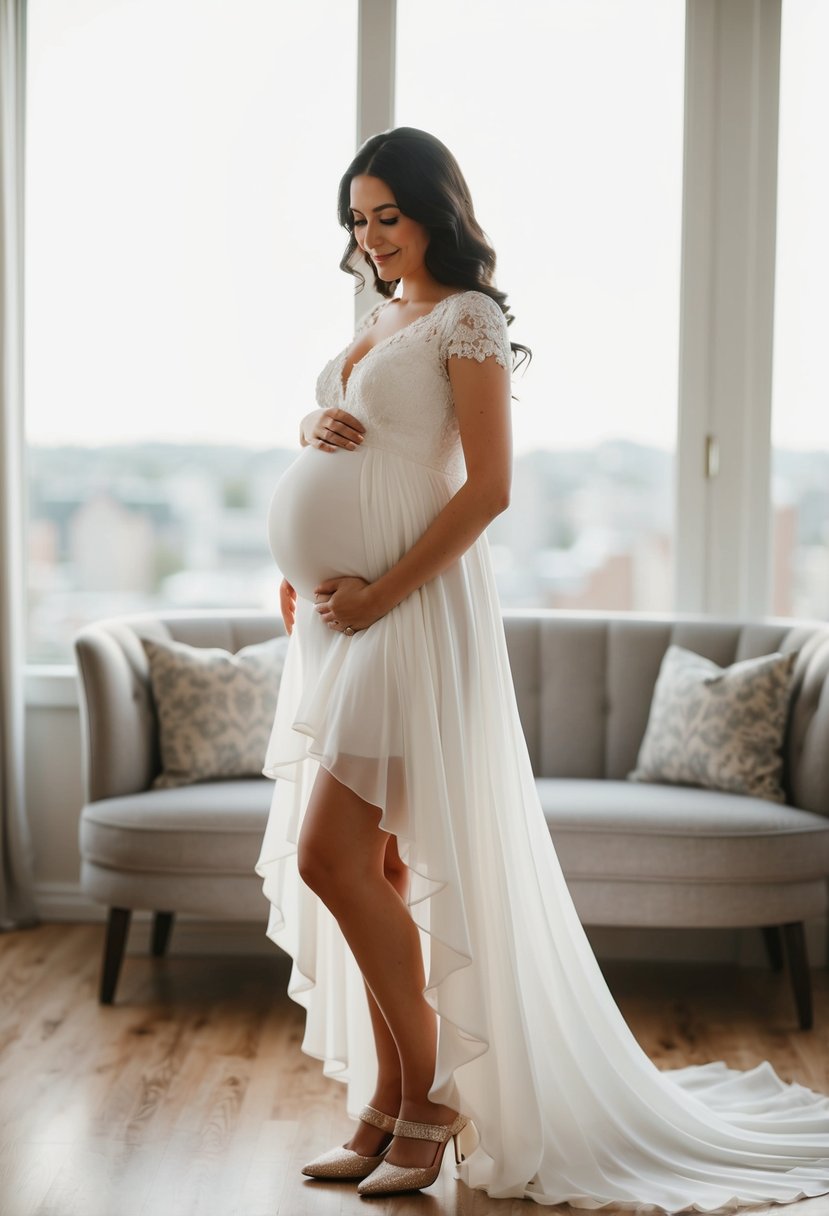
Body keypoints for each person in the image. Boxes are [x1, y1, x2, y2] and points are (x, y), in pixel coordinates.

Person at [256, 127, 829, 1208]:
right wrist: (310, 461)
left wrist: (376, 589)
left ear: (437, 210)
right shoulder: (380, 319)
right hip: (338, 618)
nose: (372, 238)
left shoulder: (471, 317)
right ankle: (387, 1102)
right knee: (368, 870)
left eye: (389, 214)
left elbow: (486, 489)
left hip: (407, 613)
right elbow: (366, 436)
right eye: (358, 219)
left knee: (334, 857)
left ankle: (430, 1100)